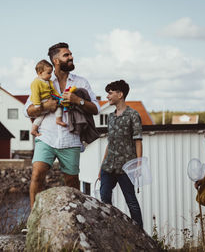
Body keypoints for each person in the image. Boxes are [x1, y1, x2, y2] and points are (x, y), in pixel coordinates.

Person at [25, 42, 100, 208]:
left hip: (71, 139)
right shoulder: (42, 80)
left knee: (72, 181)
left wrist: (77, 101)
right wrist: (45, 106)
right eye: (67, 55)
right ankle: (33, 220)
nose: (71, 57)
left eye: (71, 54)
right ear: (56, 60)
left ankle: (73, 216)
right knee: (37, 175)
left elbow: (96, 109)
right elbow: (27, 110)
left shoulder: (81, 82)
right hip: (46, 137)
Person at [98, 80, 143, 228]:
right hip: (108, 166)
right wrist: (101, 167)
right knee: (104, 196)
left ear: (120, 94)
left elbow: (138, 141)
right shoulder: (110, 117)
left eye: (110, 93)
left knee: (131, 201)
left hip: (126, 167)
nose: (108, 96)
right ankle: (111, 227)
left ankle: (139, 234)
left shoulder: (133, 115)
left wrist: (138, 165)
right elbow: (110, 143)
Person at [30, 59, 66, 137]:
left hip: (49, 98)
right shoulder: (36, 82)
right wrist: (37, 105)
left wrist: (59, 97)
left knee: (59, 107)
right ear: (40, 73)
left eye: (51, 73)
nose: (50, 75)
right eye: (48, 73)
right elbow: (35, 94)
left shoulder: (49, 81)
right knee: (40, 117)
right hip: (41, 101)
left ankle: (58, 119)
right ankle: (33, 129)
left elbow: (53, 91)